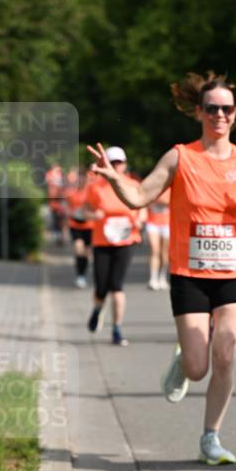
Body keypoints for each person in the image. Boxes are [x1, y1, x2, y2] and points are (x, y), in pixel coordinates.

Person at [87, 71, 236, 464]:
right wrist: (115, 179)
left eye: (227, 109)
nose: (220, 114)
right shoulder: (180, 156)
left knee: (227, 351)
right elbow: (139, 197)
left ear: (235, 115)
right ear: (199, 112)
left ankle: (210, 437)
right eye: (212, 108)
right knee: (199, 367)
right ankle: (185, 360)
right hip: (190, 274)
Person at [83, 146, 144, 346]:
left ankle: (117, 329)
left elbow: (142, 207)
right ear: (105, 164)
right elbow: (85, 211)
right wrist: (94, 215)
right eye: (113, 162)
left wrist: (140, 221)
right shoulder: (96, 187)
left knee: (116, 285)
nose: (117, 166)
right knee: (102, 287)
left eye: (120, 162)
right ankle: (97, 310)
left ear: (125, 164)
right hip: (102, 240)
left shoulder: (133, 184)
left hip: (127, 239)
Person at [66, 169, 93, 288]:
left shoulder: (91, 192)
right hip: (75, 225)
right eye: (79, 178)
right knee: (78, 249)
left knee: (86, 253)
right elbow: (67, 207)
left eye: (84, 178)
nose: (81, 180)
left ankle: (83, 274)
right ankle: (80, 275)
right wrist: (71, 213)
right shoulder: (71, 192)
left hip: (89, 225)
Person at [146, 186, 171, 290]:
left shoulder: (170, 188)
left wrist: (160, 201)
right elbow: (146, 202)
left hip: (167, 223)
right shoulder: (152, 187)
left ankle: (162, 277)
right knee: (154, 250)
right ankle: (153, 278)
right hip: (152, 223)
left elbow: (171, 202)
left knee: (164, 253)